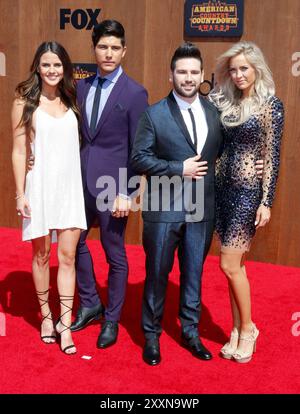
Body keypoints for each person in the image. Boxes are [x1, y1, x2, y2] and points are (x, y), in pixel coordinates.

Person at [130, 43, 224, 365]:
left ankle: (190, 332)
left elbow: (218, 156)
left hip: (201, 210)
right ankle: (152, 336)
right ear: (170, 75)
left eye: (194, 72)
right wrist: (177, 168)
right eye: (181, 71)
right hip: (163, 209)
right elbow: (138, 158)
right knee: (157, 274)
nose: (188, 77)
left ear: (201, 74)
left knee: (194, 274)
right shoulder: (153, 114)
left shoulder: (214, 113)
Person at [70, 20, 148, 349]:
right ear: (94, 49)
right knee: (72, 244)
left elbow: (138, 148)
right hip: (78, 182)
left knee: (114, 254)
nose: (109, 53)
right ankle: (90, 303)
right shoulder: (81, 87)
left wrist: (127, 192)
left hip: (112, 187)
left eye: (115, 47)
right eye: (103, 46)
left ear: (124, 51)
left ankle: (112, 319)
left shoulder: (134, 92)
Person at [209, 41, 284, 363]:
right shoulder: (225, 103)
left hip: (248, 193)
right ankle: (237, 329)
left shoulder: (271, 105)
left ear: (257, 69)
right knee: (233, 268)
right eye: (234, 69)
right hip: (222, 190)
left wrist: (266, 201)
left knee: (228, 263)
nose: (238, 75)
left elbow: (272, 156)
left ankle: (249, 328)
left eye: (244, 68)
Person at [11, 41, 87, 355]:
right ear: (38, 68)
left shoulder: (72, 99)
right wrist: (19, 193)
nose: (52, 70)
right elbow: (18, 151)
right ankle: (46, 317)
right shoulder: (23, 101)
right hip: (38, 186)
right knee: (42, 256)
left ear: (65, 68)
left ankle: (65, 325)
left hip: (69, 188)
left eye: (57, 65)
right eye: (46, 65)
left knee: (67, 258)